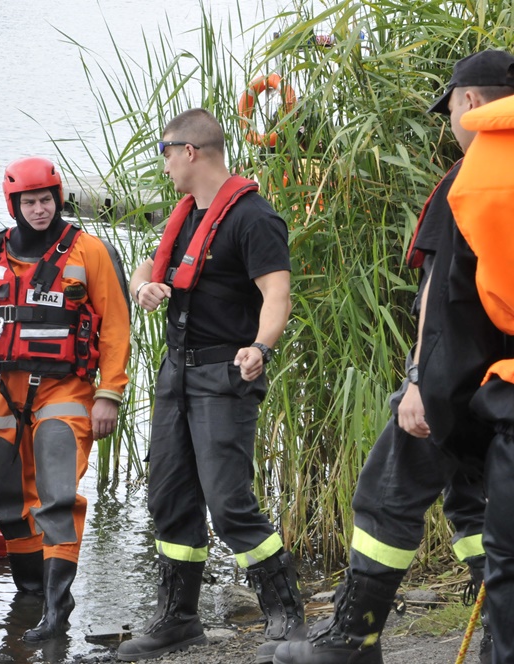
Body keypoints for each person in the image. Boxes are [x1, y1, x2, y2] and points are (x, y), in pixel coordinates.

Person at [273, 49, 514, 664]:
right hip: (501, 387)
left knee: (388, 491)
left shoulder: (471, 177)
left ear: (468, 102)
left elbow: (441, 295)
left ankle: (352, 637)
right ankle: (497, 624)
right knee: (476, 502)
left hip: (462, 381)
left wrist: (419, 384)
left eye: (449, 109)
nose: (449, 125)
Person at [121, 108, 298, 664]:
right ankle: (178, 620)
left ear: (190, 151)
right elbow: (144, 268)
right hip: (175, 374)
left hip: (223, 375)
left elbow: (277, 295)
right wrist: (143, 288)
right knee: (170, 496)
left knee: (228, 502)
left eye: (165, 152)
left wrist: (261, 347)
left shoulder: (253, 217)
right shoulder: (185, 216)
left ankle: (287, 614)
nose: (164, 164)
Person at [0, 156, 131, 642]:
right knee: (4, 493)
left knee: (56, 490)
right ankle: (29, 593)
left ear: (58, 199)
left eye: (46, 200)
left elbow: (116, 327)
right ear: (14, 205)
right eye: (29, 202)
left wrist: (109, 393)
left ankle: (55, 609)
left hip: (65, 389)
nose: (39, 209)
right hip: (3, 390)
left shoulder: (88, 252)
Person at [445, 53, 514, 664]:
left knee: (508, 558)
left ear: (469, 103)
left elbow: (461, 312)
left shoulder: (474, 180)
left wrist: (453, 416)